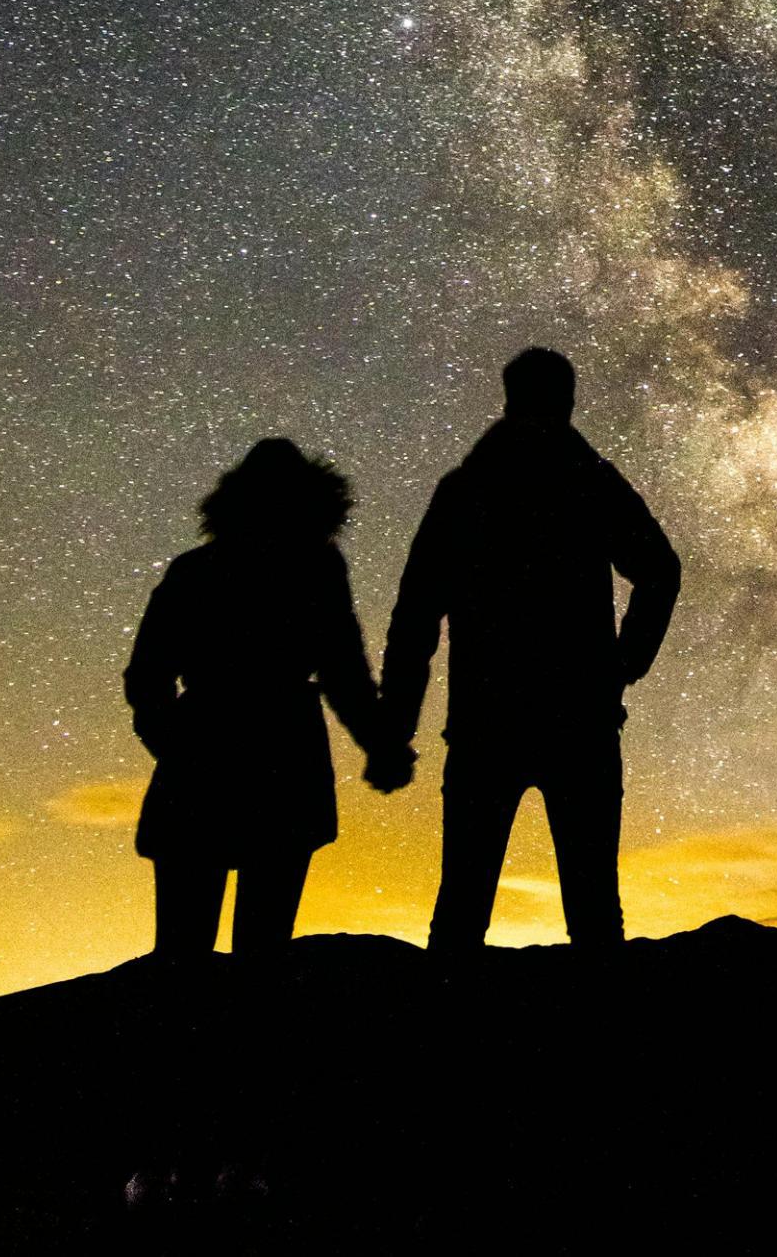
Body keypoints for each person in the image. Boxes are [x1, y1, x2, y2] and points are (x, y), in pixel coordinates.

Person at [372, 347, 679, 950]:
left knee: (460, 911)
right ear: (568, 402)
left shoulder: (466, 489)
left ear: (508, 398)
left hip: (487, 722)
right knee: (595, 915)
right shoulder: (591, 481)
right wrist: (623, 664)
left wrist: (397, 726)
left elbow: (415, 615)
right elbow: (660, 568)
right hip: (580, 722)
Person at [125, 437, 393, 959]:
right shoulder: (317, 568)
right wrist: (380, 745)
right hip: (283, 748)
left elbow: (148, 674)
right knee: (262, 949)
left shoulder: (195, 569)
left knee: (184, 950)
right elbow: (343, 670)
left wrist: (172, 744)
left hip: (208, 743)